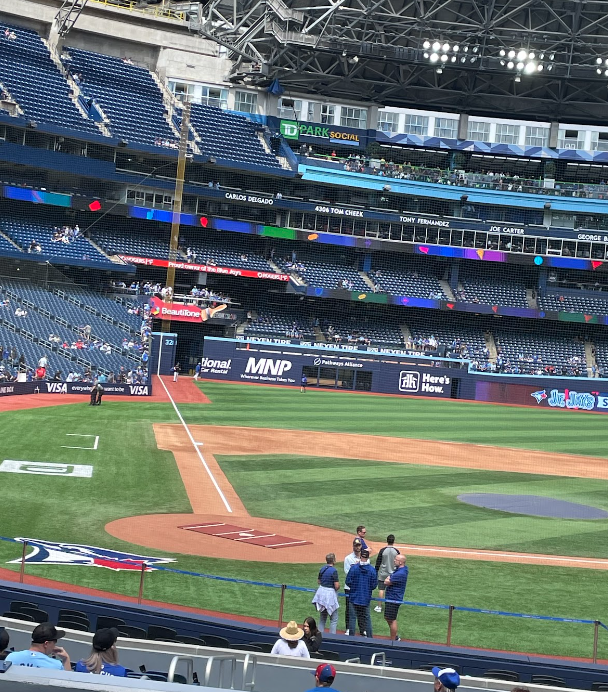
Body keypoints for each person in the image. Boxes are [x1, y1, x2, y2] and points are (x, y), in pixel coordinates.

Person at [6, 623, 71, 670]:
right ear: (46, 644)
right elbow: (68, 683)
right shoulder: (56, 666)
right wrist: (66, 659)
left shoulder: (11, 658)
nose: (55, 645)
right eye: (55, 641)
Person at [345, 549, 376, 638]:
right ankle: (370, 638)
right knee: (367, 618)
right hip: (365, 598)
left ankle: (351, 638)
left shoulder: (354, 568)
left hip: (354, 597)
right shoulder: (372, 570)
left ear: (360, 556)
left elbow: (348, 581)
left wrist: (355, 588)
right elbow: (374, 585)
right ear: (368, 557)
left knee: (352, 618)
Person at [312, 553, 340, 634]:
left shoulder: (322, 569)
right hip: (330, 595)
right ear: (334, 560)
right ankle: (332, 637)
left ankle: (319, 636)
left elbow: (319, 581)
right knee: (334, 619)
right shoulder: (334, 571)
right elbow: (337, 586)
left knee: (322, 618)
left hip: (321, 594)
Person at [383, 554, 408, 640]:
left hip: (394, 599)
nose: (394, 560)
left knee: (392, 619)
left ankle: (393, 640)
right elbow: (388, 579)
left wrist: (388, 578)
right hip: (392, 597)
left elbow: (386, 582)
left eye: (396, 559)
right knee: (387, 617)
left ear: (400, 562)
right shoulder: (402, 569)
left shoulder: (400, 573)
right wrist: (389, 578)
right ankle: (394, 637)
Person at [374, 534, 400, 613]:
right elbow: (399, 563)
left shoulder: (382, 550)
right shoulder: (396, 551)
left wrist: (376, 571)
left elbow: (378, 562)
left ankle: (379, 607)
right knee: (391, 590)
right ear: (393, 541)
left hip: (383, 574)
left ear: (387, 540)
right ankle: (391, 606)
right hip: (393, 574)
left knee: (381, 590)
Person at [343, 538, 362, 635]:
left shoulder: (365, 558)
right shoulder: (348, 558)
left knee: (361, 608)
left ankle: (362, 629)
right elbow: (347, 572)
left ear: (361, 546)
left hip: (360, 588)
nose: (357, 547)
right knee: (349, 609)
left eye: (358, 545)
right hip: (349, 588)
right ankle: (348, 628)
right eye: (355, 545)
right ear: (353, 546)